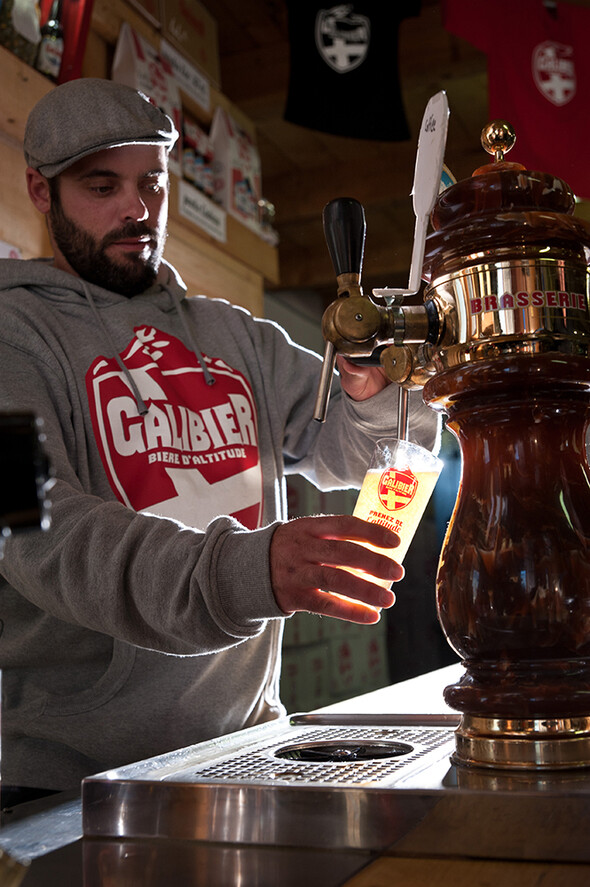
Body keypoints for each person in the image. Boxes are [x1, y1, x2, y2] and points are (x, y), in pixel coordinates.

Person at [0, 78, 440, 797]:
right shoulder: (11, 339)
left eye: (152, 183)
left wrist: (380, 389)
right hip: (71, 782)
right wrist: (244, 570)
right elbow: (41, 535)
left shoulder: (237, 336)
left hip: (249, 747)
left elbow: (369, 454)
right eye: (101, 185)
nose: (136, 208)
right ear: (41, 192)